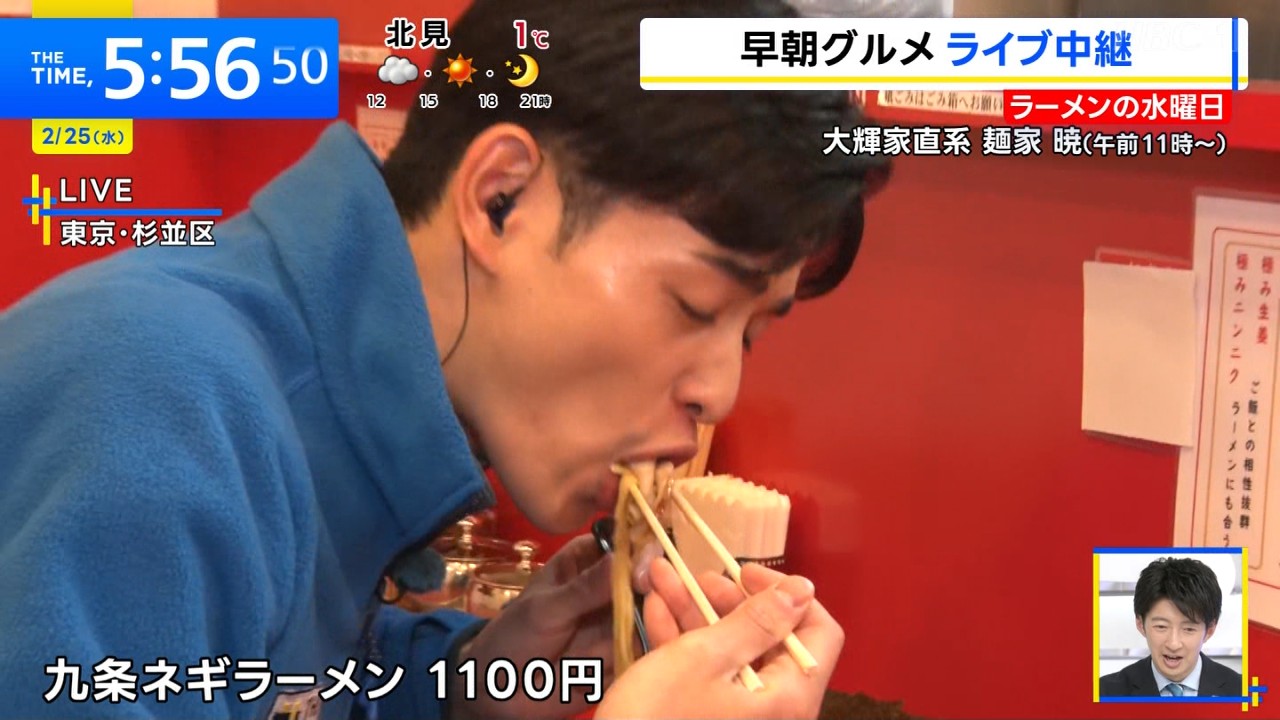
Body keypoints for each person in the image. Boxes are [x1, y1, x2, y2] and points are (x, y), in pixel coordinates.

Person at [0, 0, 888, 717]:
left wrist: (473, 685)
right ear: (502, 198)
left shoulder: (319, 415)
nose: (718, 392)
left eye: (749, 333)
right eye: (694, 304)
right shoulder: (156, 400)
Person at [1099, 557, 1244, 698]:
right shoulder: (1105, 692)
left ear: (1210, 630)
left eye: (1188, 629)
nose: (1173, 644)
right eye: (1161, 626)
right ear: (1140, 624)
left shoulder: (1241, 691)